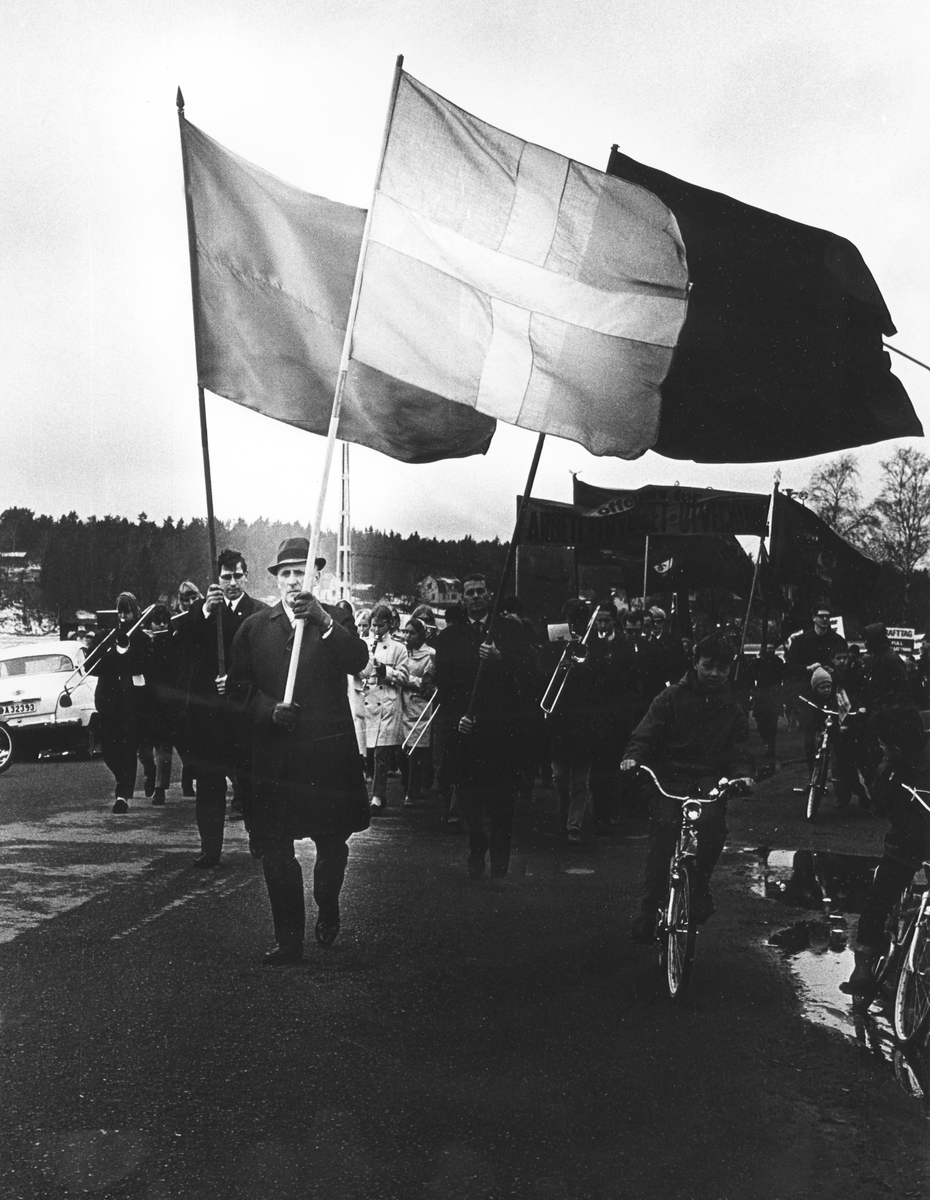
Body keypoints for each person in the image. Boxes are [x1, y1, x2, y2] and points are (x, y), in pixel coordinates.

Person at [228, 536, 370, 965]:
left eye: (301, 572)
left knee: (332, 847)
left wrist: (326, 621)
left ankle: (327, 905)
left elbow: (358, 660)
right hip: (276, 761)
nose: (294, 581)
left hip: (326, 759)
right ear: (277, 579)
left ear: (317, 576)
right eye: (286, 573)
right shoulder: (254, 628)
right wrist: (270, 710)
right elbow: (238, 690)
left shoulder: (337, 618)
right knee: (276, 852)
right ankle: (288, 940)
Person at [621, 632, 754, 942]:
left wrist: (743, 775)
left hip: (708, 783)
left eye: (722, 668)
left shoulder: (733, 708)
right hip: (667, 780)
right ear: (695, 663)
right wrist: (633, 758)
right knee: (664, 829)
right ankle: (648, 908)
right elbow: (645, 734)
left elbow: (740, 751)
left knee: (713, 826)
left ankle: (700, 888)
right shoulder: (669, 698)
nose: (714, 674)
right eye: (708, 666)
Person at [434, 572, 539, 879]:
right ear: (462, 599)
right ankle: (478, 842)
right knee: (469, 800)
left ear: (490, 595)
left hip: (502, 733)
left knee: (503, 803)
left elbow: (530, 674)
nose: (477, 596)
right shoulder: (450, 637)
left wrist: (500, 657)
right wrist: (458, 719)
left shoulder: (509, 631)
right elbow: (444, 684)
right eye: (470, 592)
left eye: (482, 591)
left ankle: (500, 867)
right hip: (467, 731)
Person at [840, 706, 930, 997]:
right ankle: (863, 968)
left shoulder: (895, 763)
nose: (879, 746)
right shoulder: (889, 767)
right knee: (879, 898)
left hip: (913, 838)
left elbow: (879, 802)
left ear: (897, 746)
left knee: (881, 900)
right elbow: (880, 801)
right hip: (905, 840)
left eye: (882, 743)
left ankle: (869, 964)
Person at [87, 592, 149, 813]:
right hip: (107, 700)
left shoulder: (141, 637)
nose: (123, 616)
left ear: (135, 612)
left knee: (127, 749)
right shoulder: (105, 636)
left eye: (127, 611)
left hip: (132, 702)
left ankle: (122, 795)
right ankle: (124, 779)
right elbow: (89, 666)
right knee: (109, 751)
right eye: (120, 612)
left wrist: (128, 653)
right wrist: (110, 651)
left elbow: (146, 666)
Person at [360, 603, 409, 815]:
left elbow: (404, 677)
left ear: (389, 625)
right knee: (367, 754)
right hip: (366, 703)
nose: (376, 630)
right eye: (373, 626)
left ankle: (377, 797)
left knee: (381, 753)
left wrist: (384, 671)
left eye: (380, 626)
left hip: (386, 706)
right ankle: (371, 792)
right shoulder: (363, 644)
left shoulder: (399, 648)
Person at [138, 603, 182, 805]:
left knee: (164, 749)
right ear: (150, 623)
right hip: (147, 703)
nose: (162, 625)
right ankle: (149, 770)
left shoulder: (173, 644)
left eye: (165, 621)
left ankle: (160, 789)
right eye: (158, 622)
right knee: (144, 749)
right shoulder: (145, 645)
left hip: (166, 704)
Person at [399, 617, 436, 806]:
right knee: (403, 752)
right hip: (401, 706)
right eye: (405, 632)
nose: (407, 636)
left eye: (412, 633)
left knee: (416, 753)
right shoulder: (402, 652)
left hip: (419, 708)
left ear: (421, 635)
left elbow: (428, 683)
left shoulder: (430, 655)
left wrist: (406, 680)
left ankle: (412, 790)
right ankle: (409, 785)